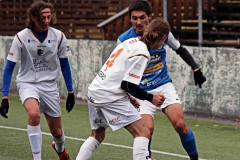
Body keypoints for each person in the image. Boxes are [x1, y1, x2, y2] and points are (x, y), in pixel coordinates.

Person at [117, 1, 206, 160]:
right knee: (147, 129)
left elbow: (180, 49)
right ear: (130, 19)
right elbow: (118, 70)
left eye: (142, 18)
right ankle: (147, 157)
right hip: (141, 90)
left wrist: (195, 68)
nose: (138, 22)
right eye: (134, 18)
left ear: (149, 17)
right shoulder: (123, 40)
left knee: (180, 124)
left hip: (163, 85)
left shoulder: (162, 32)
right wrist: (127, 95)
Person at [75, 17, 170, 160]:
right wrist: (151, 98)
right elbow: (128, 84)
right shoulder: (143, 53)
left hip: (95, 91)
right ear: (163, 38)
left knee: (97, 135)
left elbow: (118, 74)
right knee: (142, 132)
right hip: (109, 96)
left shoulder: (131, 42)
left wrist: (129, 97)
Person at [0, 1, 75, 160]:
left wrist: (71, 91)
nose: (47, 21)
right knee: (34, 114)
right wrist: (5, 96)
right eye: (43, 18)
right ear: (33, 17)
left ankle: (59, 148)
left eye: (49, 17)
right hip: (27, 83)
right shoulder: (21, 37)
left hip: (49, 86)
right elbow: (9, 68)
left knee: (57, 133)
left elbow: (65, 64)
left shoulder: (59, 36)